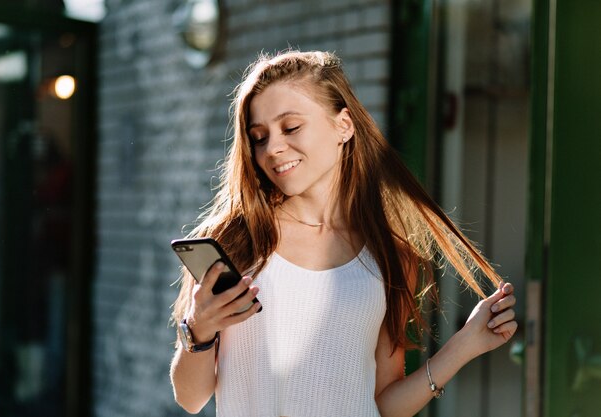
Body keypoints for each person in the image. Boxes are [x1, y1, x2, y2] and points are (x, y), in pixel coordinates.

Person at [170, 50, 517, 417]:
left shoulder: (388, 255)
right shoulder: (235, 241)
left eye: (291, 128)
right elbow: (190, 398)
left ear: (344, 126)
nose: (272, 148)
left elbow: (383, 404)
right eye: (259, 137)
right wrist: (198, 328)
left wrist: (463, 346)